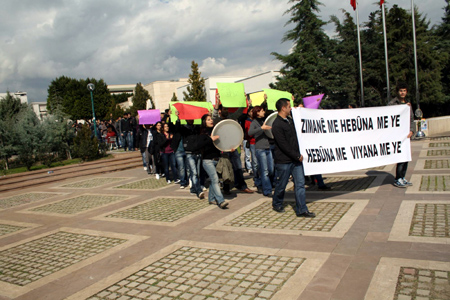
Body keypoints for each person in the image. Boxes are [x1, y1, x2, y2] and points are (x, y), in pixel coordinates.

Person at [271, 98, 315, 218]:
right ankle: (277, 203)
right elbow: (283, 144)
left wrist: (299, 112)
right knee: (282, 184)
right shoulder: (277, 124)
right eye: (289, 106)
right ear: (283, 108)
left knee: (300, 184)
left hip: (296, 160)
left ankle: (302, 209)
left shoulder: (290, 120)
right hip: (284, 161)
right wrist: (296, 155)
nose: (291, 108)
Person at [198, 114, 229, 209]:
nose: (211, 121)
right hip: (207, 160)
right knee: (215, 179)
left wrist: (228, 148)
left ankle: (211, 198)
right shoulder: (202, 134)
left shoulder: (215, 131)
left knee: (213, 180)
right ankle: (221, 200)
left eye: (211, 119)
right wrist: (210, 139)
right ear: (204, 122)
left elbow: (221, 144)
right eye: (208, 119)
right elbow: (200, 144)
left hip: (217, 159)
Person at [388, 81, 415, 188]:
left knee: (406, 157)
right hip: (398, 135)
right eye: (401, 91)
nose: (402, 93)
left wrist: (412, 131)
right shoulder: (392, 104)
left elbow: (411, 119)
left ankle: (402, 177)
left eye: (404, 91)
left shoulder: (408, 104)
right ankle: (397, 178)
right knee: (400, 157)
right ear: (397, 92)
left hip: (407, 135)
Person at [248, 106, 274, 197]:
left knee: (271, 169)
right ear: (257, 112)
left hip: (268, 148)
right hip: (260, 149)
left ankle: (264, 184)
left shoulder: (264, 121)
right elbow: (250, 132)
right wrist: (261, 128)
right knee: (265, 171)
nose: (264, 112)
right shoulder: (254, 122)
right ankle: (267, 190)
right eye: (262, 110)